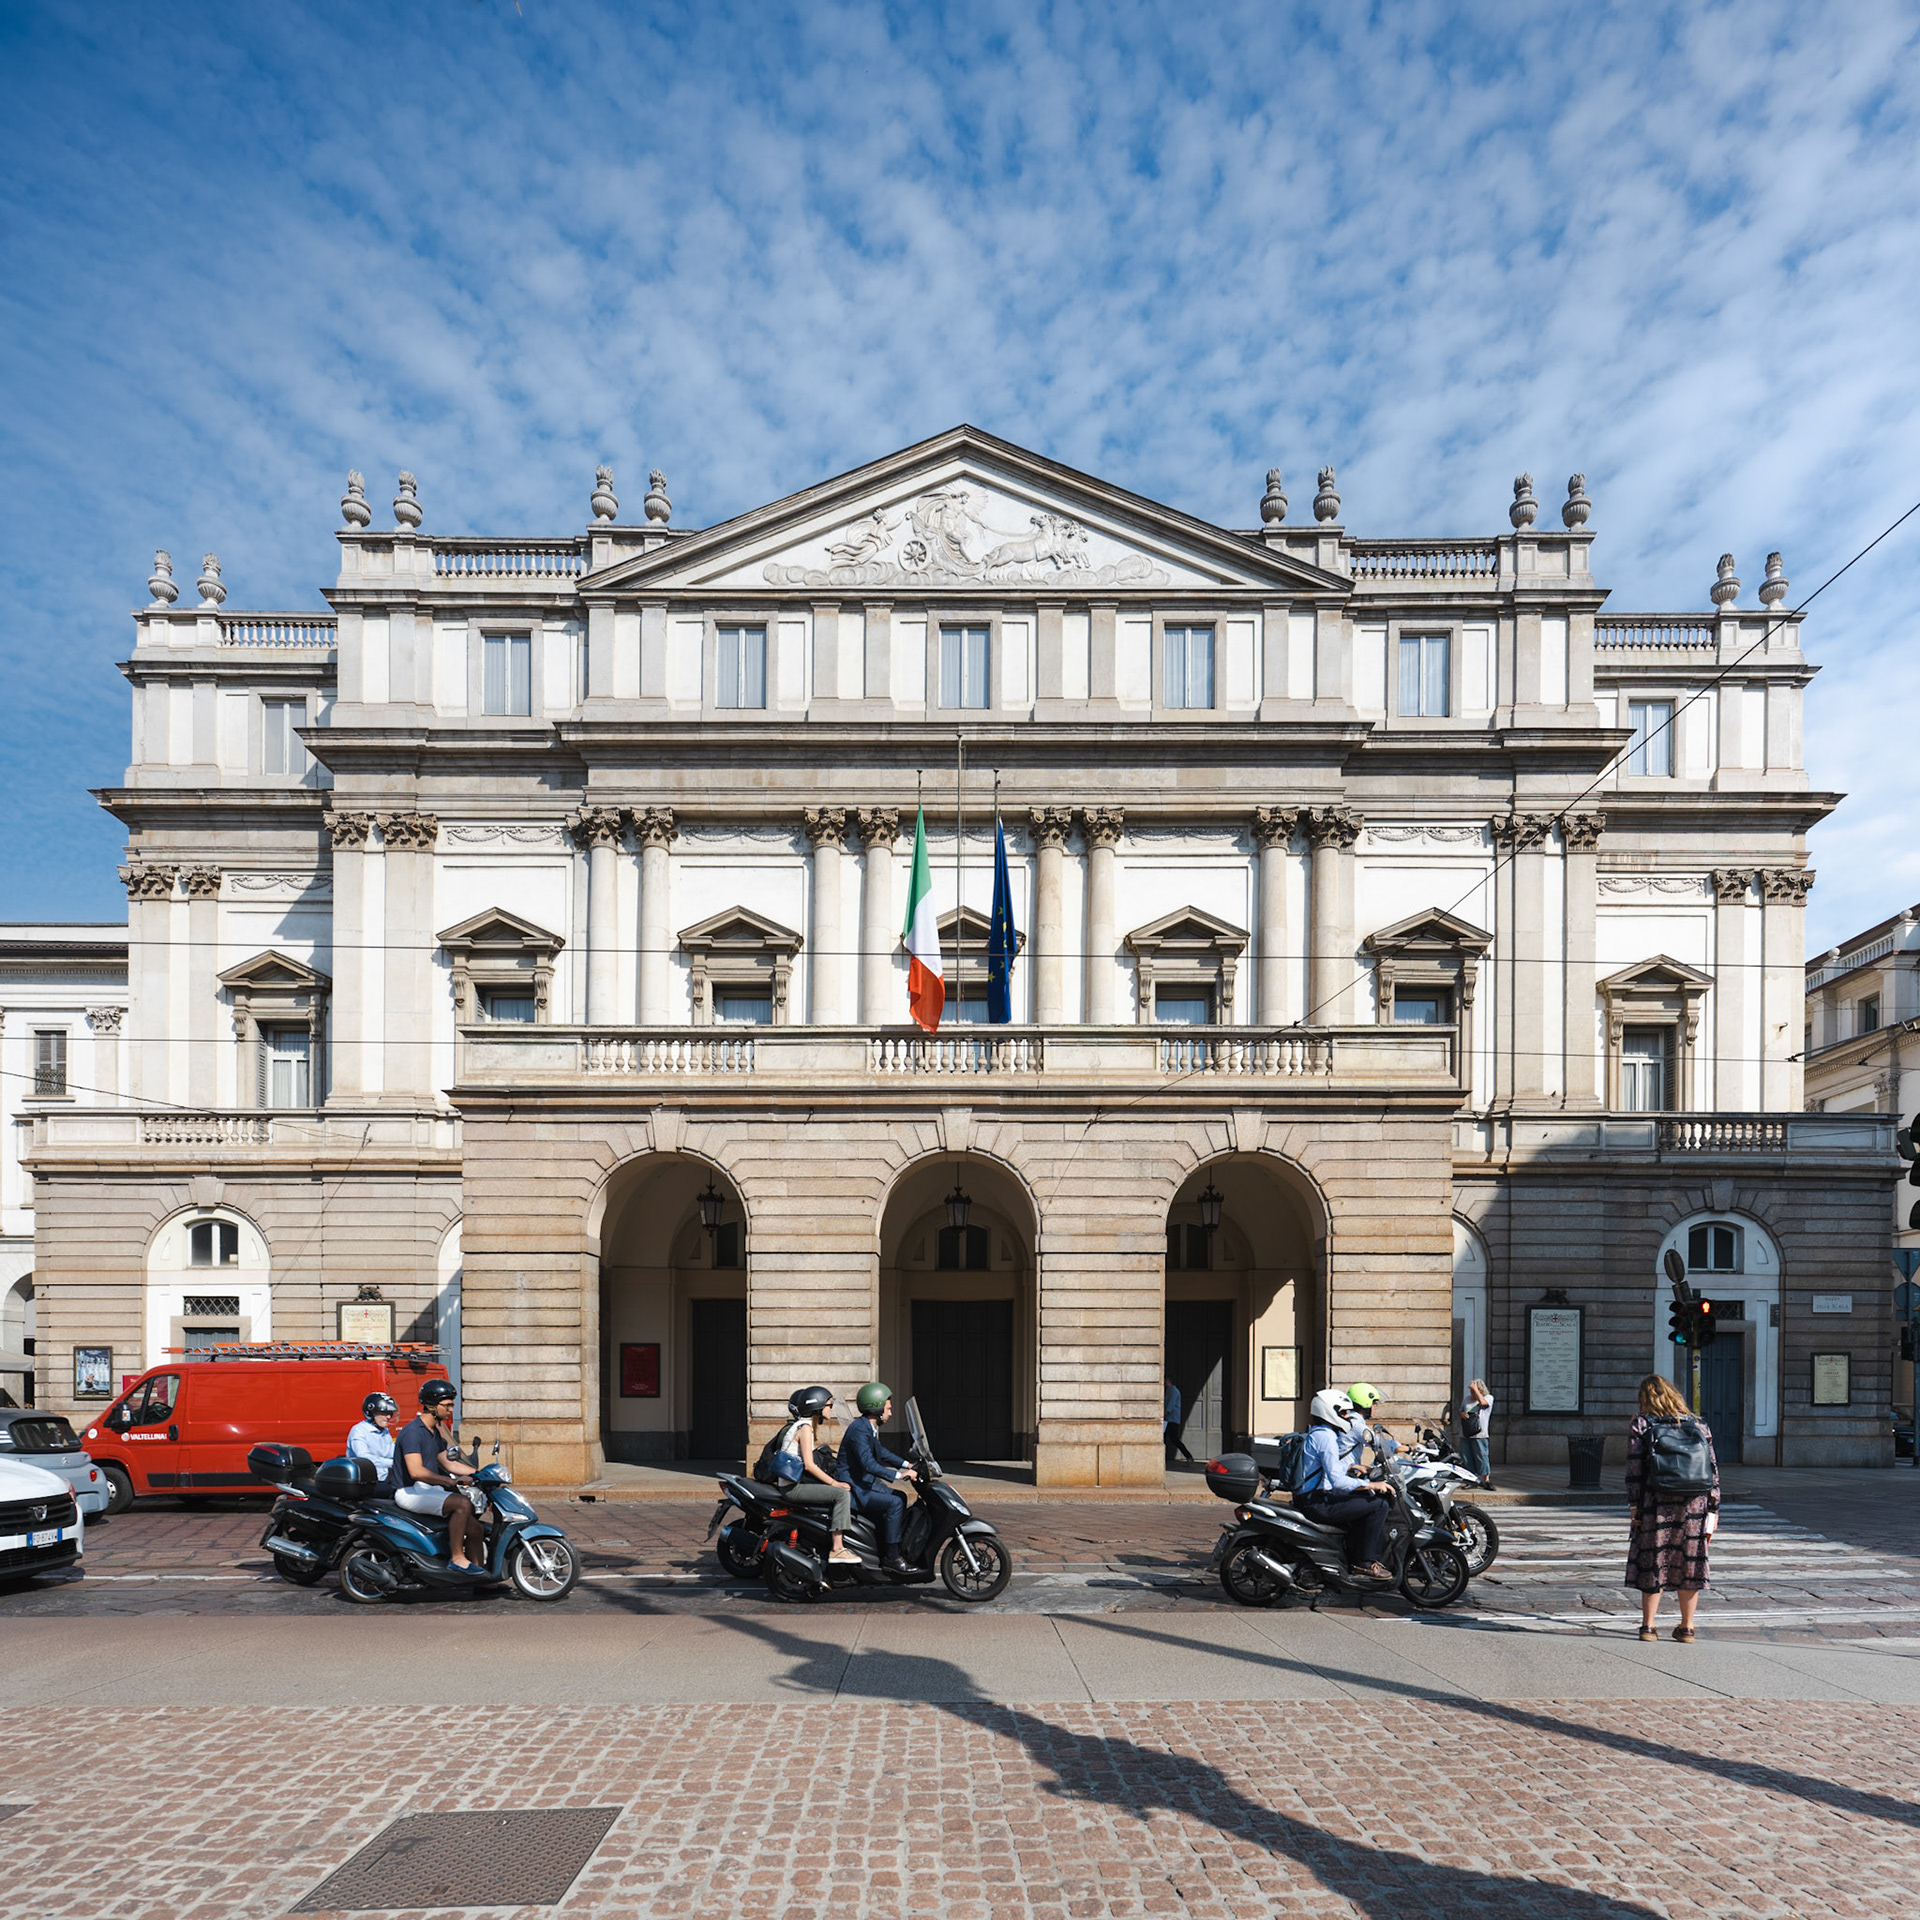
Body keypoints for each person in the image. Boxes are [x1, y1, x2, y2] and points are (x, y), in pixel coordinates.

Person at [1626, 1373, 1720, 1643]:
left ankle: (1648, 1627)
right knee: (1690, 1564)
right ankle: (1687, 1628)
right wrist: (1713, 1509)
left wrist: (1635, 1507)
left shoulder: (1642, 1423)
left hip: (1656, 1503)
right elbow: (1713, 1471)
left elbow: (1634, 1469)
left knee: (1653, 1561)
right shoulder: (1699, 1425)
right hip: (1694, 1504)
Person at [1295, 1388, 1394, 1581]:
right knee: (1379, 1505)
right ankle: (1364, 1562)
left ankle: (1349, 1552)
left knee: (1364, 1501)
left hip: (1313, 1497)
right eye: (1343, 1413)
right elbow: (1338, 1481)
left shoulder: (1319, 1432)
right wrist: (1372, 1485)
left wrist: (1353, 1465)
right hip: (1316, 1502)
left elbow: (1328, 1467)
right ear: (1329, 1411)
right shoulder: (1327, 1437)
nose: (1347, 1417)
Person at [394, 1379, 488, 1575]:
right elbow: (416, 1471)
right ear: (431, 1405)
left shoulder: (433, 1432)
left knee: (476, 1529)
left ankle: (480, 1578)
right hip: (409, 1491)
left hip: (427, 1489)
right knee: (462, 1503)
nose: (451, 1409)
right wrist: (450, 1481)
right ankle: (456, 1557)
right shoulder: (413, 1432)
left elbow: (448, 1463)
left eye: (451, 1404)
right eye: (447, 1405)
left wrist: (482, 1473)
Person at [774, 1386, 860, 1565]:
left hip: (793, 1483)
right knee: (842, 1494)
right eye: (828, 1405)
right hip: (792, 1488)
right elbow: (809, 1465)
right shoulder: (805, 1428)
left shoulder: (803, 1425)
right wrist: (834, 1483)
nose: (831, 1409)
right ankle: (837, 1549)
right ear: (817, 1407)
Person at [836, 1382, 917, 1571]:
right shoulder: (859, 1430)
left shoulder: (866, 1427)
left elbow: (882, 1452)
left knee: (901, 1497)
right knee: (894, 1503)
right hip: (856, 1488)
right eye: (888, 1408)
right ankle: (892, 1558)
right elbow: (869, 1464)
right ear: (877, 1408)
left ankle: (887, 1542)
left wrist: (908, 1464)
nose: (890, 1413)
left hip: (864, 1482)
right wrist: (900, 1475)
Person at [346, 1392, 400, 1493]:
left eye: (390, 1413)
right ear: (371, 1412)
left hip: (383, 1479)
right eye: (384, 1413)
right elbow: (364, 1456)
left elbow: (392, 1451)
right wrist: (392, 1463)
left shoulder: (384, 1431)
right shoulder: (359, 1430)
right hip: (365, 1482)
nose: (388, 1417)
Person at [1346, 1382, 1398, 1467]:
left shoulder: (1352, 1420)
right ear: (1365, 1403)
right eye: (1374, 1403)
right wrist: (1409, 1448)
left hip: (1349, 1470)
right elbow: (1379, 1443)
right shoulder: (1356, 1425)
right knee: (1382, 1481)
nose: (1375, 1407)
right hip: (1343, 1476)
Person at [1459, 1380, 1494, 1487]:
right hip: (1465, 1432)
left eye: (1474, 1390)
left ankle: (1486, 1480)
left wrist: (1475, 1389)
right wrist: (1462, 1414)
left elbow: (1483, 1403)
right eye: (1471, 1390)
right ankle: (1471, 1480)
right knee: (1467, 1457)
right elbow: (1460, 1410)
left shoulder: (1488, 1398)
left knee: (1481, 1456)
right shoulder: (1467, 1399)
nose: (1472, 1393)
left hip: (1480, 1433)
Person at [1164, 1378, 1194, 1466]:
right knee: (1164, 1438)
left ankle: (1188, 1456)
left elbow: (1170, 1405)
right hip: (1168, 1419)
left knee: (1175, 1440)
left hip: (1171, 1420)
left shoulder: (1173, 1391)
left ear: (1168, 1381)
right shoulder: (1169, 1391)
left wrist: (1164, 1413)